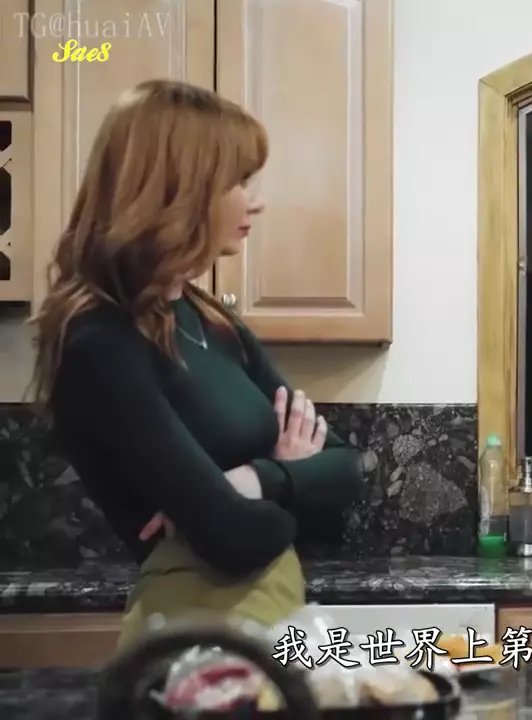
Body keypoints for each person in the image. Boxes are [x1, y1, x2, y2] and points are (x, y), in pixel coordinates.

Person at [28, 79, 363, 648]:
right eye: (237, 181)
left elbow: (346, 471)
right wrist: (287, 480)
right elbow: (232, 537)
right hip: (192, 628)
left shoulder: (210, 318)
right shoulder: (98, 341)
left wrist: (254, 480)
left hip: (271, 616)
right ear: (180, 189)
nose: (256, 201)